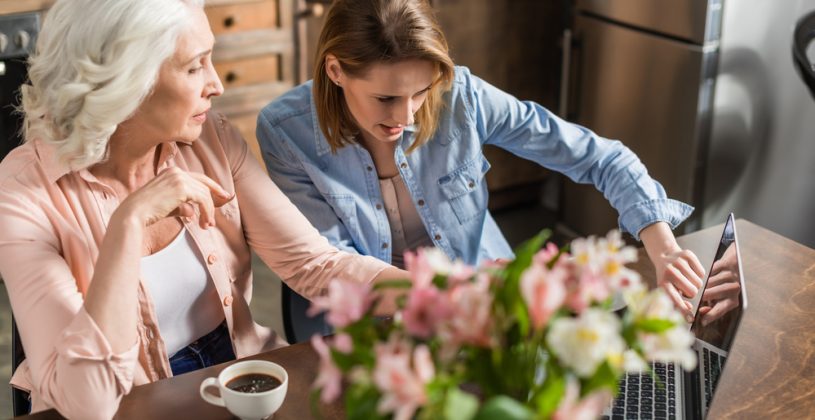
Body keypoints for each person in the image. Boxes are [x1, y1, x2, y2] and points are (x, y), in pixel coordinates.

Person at [0, 0, 407, 417]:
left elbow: (314, 264)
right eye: (195, 66)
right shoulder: (23, 192)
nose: (216, 84)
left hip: (237, 384)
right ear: (126, 80)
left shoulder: (211, 137)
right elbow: (89, 403)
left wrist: (433, 296)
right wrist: (129, 223)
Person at [256, 0, 706, 317]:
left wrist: (663, 247)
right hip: (373, 313)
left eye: (420, 92)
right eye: (386, 97)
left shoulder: (462, 97)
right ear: (335, 71)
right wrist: (451, 293)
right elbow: (333, 262)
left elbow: (599, 158)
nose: (406, 115)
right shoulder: (285, 131)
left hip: (481, 301)